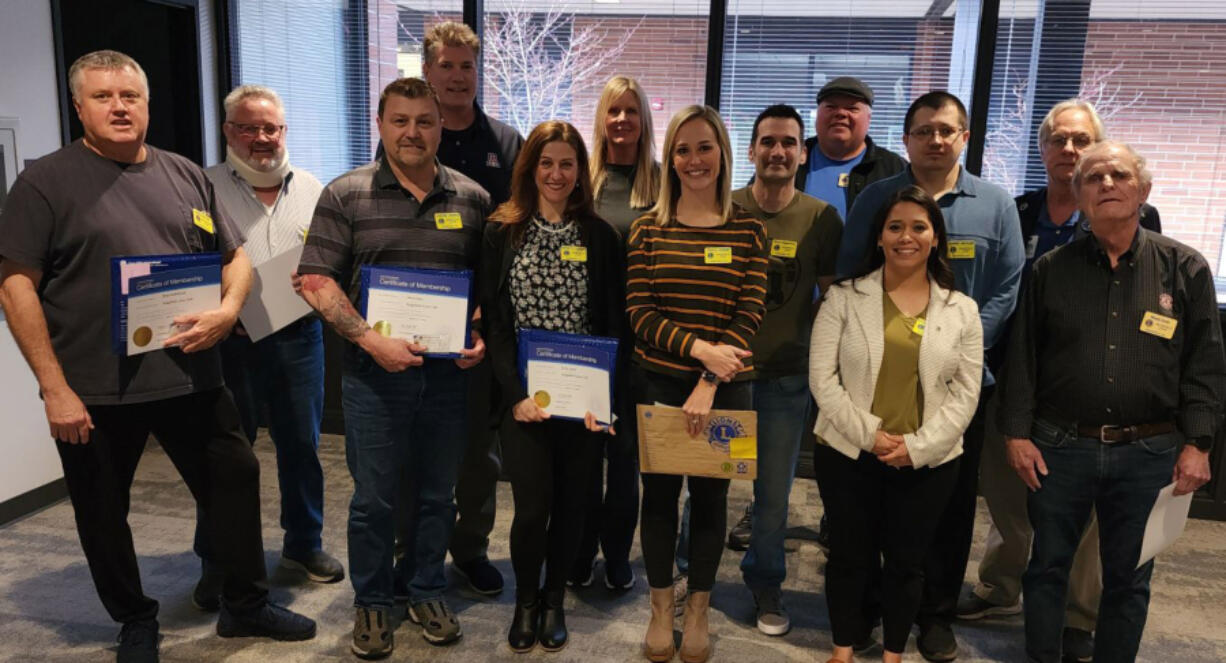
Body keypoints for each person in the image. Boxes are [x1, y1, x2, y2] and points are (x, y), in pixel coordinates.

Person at [0, 50, 316, 663]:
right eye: (103, 97)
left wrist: (228, 311)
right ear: (79, 106)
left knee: (235, 479)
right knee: (102, 508)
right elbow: (16, 286)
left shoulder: (185, 174)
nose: (119, 106)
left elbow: (236, 257)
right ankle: (135, 619)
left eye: (130, 96)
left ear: (146, 103)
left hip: (192, 372)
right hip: (95, 386)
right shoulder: (44, 182)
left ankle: (245, 605)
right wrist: (52, 387)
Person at [997, 141, 1225, 663]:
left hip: (1147, 453)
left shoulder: (1184, 268)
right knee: (1047, 565)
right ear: (1077, 197)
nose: (1106, 185)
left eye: (1118, 175)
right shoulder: (1052, 269)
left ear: (1142, 191)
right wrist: (1014, 434)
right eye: (1092, 179)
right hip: (1060, 446)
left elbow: (1205, 366)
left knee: (1129, 575)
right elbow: (1024, 359)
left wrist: (1200, 444)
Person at [957, 99, 1161, 661]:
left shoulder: (1135, 216)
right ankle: (1001, 585)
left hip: (1089, 384)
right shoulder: (1016, 210)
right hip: (1013, 374)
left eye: (1081, 140)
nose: (1069, 150)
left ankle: (1076, 613)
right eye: (1058, 140)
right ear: (1043, 149)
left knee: (1088, 514)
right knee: (1009, 494)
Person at [296, 77, 490, 659]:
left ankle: (427, 587)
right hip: (373, 378)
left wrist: (475, 331)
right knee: (375, 498)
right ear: (381, 125)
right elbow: (315, 280)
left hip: (446, 379)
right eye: (400, 121)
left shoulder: (473, 199)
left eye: (424, 121)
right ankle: (374, 600)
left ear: (440, 126)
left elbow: (483, 290)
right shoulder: (346, 193)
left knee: (438, 494)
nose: (412, 132)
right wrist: (370, 341)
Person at [838, 91, 1024, 661]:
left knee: (946, 507)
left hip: (959, 386)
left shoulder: (995, 204)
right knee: (871, 504)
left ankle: (935, 616)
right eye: (923, 131)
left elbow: (1008, 286)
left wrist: (957, 347)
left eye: (947, 130)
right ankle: (868, 607)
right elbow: (851, 277)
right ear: (907, 139)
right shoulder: (873, 199)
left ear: (964, 137)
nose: (935, 140)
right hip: (878, 378)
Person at [811, 185, 983, 663]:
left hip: (927, 461)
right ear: (880, 238)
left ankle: (893, 655)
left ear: (935, 238)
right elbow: (822, 379)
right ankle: (842, 650)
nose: (906, 236)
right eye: (895, 227)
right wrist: (870, 435)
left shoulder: (962, 310)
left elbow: (966, 394)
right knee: (849, 557)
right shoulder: (845, 297)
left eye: (918, 227)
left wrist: (918, 446)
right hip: (848, 453)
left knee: (908, 564)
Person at [191, 85, 342, 611]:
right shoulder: (201, 186)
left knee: (301, 446)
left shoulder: (315, 189)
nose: (261, 138)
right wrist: (218, 305)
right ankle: (218, 560)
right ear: (228, 131)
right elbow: (186, 258)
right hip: (230, 340)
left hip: (300, 337)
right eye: (248, 127)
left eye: (270, 128)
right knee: (226, 455)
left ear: (284, 132)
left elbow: (331, 257)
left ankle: (304, 545)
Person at [628, 105, 768, 663]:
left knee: (712, 501)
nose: (694, 160)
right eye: (682, 150)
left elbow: (750, 311)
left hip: (729, 387)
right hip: (659, 383)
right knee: (660, 499)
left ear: (723, 155)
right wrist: (697, 349)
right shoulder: (648, 229)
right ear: (670, 160)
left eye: (704, 148)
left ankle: (700, 608)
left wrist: (710, 376)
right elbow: (639, 311)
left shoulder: (748, 228)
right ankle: (662, 607)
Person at [481, 120, 626, 653]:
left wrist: (605, 401)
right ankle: (526, 601)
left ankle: (555, 601)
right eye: (546, 163)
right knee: (533, 508)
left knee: (572, 507)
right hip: (524, 401)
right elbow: (496, 323)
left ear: (579, 170)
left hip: (583, 402)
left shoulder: (602, 236)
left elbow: (613, 325)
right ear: (530, 168)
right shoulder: (502, 231)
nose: (557, 174)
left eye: (567, 164)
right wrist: (514, 394)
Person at [421, 20, 524, 596]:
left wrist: (487, 314)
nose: (458, 77)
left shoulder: (506, 144)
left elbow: (515, 236)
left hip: (484, 323)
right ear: (428, 73)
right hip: (417, 320)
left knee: (478, 455)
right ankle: (419, 552)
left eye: (467, 67)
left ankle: (471, 549)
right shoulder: (410, 137)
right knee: (418, 449)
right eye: (447, 67)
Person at [730, 104, 842, 636]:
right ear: (752, 149)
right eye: (768, 141)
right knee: (705, 481)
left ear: (802, 151)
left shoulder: (821, 218)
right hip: (724, 377)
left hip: (785, 379)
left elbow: (832, 297)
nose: (778, 151)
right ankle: (691, 574)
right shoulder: (721, 208)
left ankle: (765, 582)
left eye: (789, 143)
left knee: (772, 493)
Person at [569, 75, 661, 592]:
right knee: (583, 456)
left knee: (625, 459)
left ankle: (618, 555)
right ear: (601, 120)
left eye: (631, 110)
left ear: (644, 118)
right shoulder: (584, 180)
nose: (622, 120)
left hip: (641, 343)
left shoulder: (661, 181)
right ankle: (580, 551)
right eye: (613, 111)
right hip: (585, 339)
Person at [796, 76, 907, 221]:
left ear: (869, 118)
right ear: (817, 115)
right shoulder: (790, 159)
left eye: (852, 108)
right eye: (831, 107)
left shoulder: (894, 168)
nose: (841, 113)